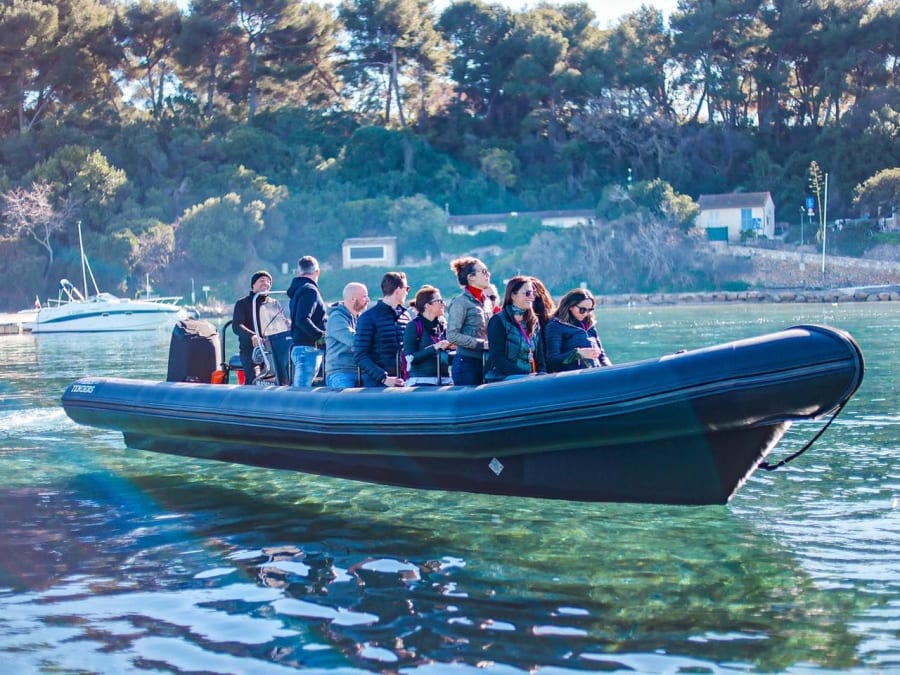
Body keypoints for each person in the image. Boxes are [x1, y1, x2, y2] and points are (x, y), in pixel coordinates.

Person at [484, 275, 547, 382]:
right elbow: (497, 359)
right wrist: (526, 375)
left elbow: (540, 358)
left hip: (530, 378)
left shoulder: (533, 321)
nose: (532, 297)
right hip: (505, 379)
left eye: (533, 293)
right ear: (513, 295)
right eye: (527, 293)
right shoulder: (498, 321)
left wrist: (541, 374)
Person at [353, 271, 410, 387]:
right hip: (376, 384)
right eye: (406, 288)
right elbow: (361, 355)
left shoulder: (406, 316)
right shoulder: (368, 318)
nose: (407, 292)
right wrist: (384, 378)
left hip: (404, 380)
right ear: (398, 290)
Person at [446, 257, 495, 385]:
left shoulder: (488, 301)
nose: (488, 274)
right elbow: (451, 335)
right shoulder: (460, 302)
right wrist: (480, 344)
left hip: (486, 361)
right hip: (466, 364)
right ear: (471, 277)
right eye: (484, 271)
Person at [544, 289, 612, 372]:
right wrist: (577, 354)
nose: (586, 314)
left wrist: (610, 370)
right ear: (570, 306)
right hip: (572, 378)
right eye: (582, 310)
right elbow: (552, 361)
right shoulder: (555, 326)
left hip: (594, 374)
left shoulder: (590, 325)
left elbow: (602, 356)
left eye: (589, 310)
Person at [287, 255, 326, 387]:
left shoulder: (298, 289)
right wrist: (321, 336)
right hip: (308, 349)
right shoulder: (310, 290)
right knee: (300, 393)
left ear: (298, 273)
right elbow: (302, 319)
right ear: (317, 272)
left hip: (301, 348)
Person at [402, 286, 453, 386]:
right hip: (421, 382)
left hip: (444, 380)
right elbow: (410, 358)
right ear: (428, 306)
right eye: (439, 301)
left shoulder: (443, 325)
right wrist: (435, 347)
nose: (444, 304)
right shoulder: (413, 326)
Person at [231, 270, 274, 385]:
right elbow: (237, 326)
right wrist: (253, 335)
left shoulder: (273, 304)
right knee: (255, 378)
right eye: (261, 281)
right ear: (253, 285)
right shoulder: (242, 303)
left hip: (272, 350)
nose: (265, 283)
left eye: (268, 281)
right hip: (251, 351)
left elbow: (281, 324)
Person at [324, 282, 369, 388]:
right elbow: (353, 339)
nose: (368, 300)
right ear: (353, 299)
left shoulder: (362, 318)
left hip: (362, 371)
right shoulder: (336, 318)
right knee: (346, 399)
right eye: (364, 297)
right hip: (340, 371)